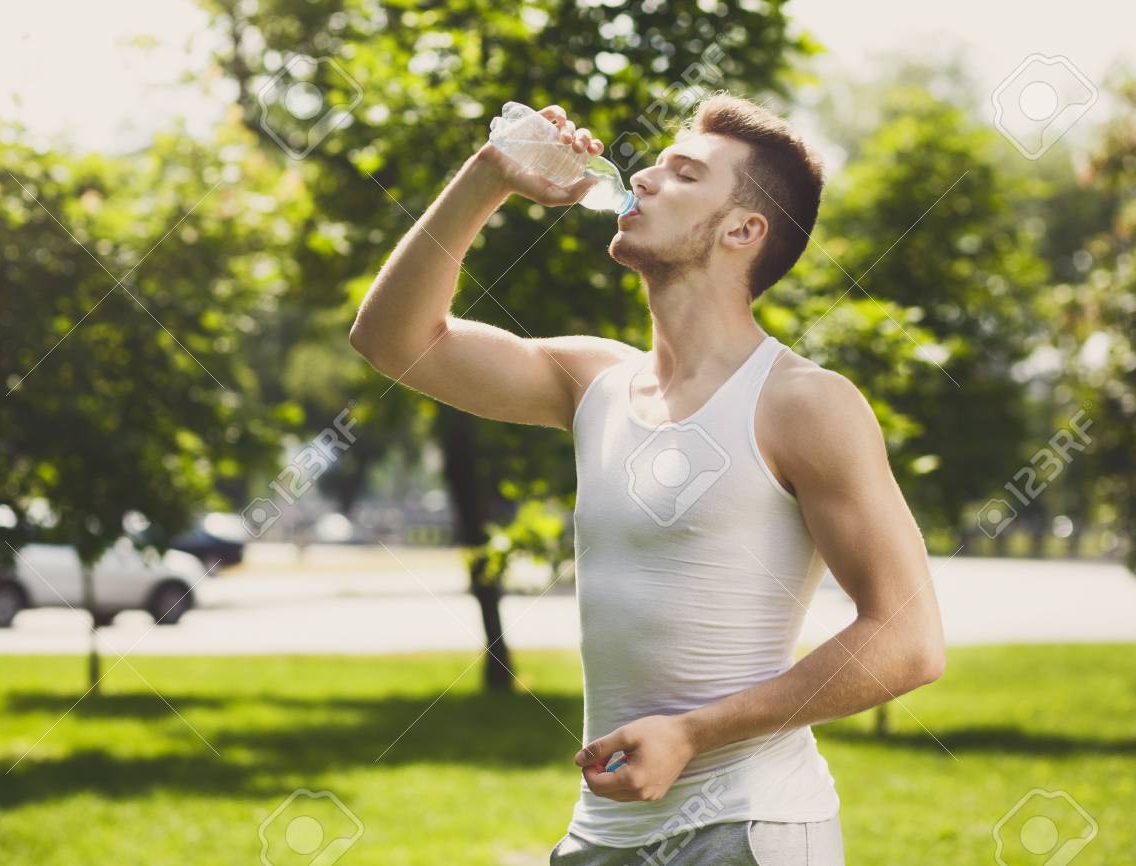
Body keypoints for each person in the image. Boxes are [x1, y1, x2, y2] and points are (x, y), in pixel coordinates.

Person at [349, 94, 945, 866]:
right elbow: (392, 339)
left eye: (685, 173)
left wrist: (693, 733)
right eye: (655, 164)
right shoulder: (592, 381)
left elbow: (908, 641)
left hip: (746, 830)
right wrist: (489, 176)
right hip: (601, 838)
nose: (644, 176)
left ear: (742, 230)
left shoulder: (803, 403)